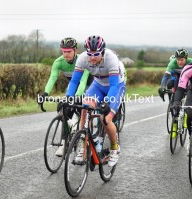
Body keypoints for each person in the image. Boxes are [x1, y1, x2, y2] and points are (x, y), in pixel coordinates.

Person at [66, 35, 126, 167]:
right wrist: (68, 97)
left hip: (115, 87)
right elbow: (75, 80)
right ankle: (83, 147)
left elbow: (114, 85)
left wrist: (107, 102)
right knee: (85, 109)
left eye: (96, 54)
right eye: (90, 54)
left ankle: (115, 148)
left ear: (102, 52)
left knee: (105, 118)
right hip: (98, 85)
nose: (92, 58)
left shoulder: (111, 58)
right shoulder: (82, 58)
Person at [38, 37, 93, 156]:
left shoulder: (83, 61)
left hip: (88, 85)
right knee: (65, 110)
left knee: (83, 109)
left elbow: (83, 81)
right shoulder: (58, 62)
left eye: (69, 51)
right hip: (73, 85)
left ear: (75, 51)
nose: (66, 54)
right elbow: (52, 78)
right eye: (64, 51)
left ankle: (84, 143)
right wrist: (45, 93)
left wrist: (78, 96)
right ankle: (64, 143)